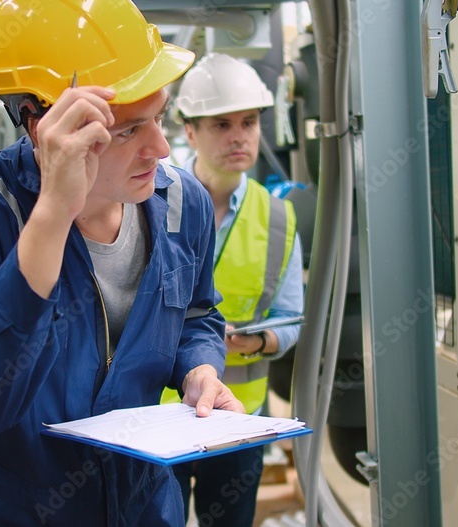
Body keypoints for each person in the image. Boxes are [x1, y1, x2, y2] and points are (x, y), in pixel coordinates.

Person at [0, 2, 243, 526]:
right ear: (43, 124)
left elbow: (197, 316)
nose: (159, 148)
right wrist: (51, 216)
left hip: (145, 504)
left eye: (157, 117)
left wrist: (199, 370)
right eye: (127, 130)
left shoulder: (182, 202)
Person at [165, 53, 305, 527]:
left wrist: (257, 341)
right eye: (221, 124)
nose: (239, 136)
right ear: (189, 131)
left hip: (238, 416)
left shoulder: (280, 219)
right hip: (159, 415)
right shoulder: (151, 201)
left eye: (249, 122)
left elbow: (291, 319)